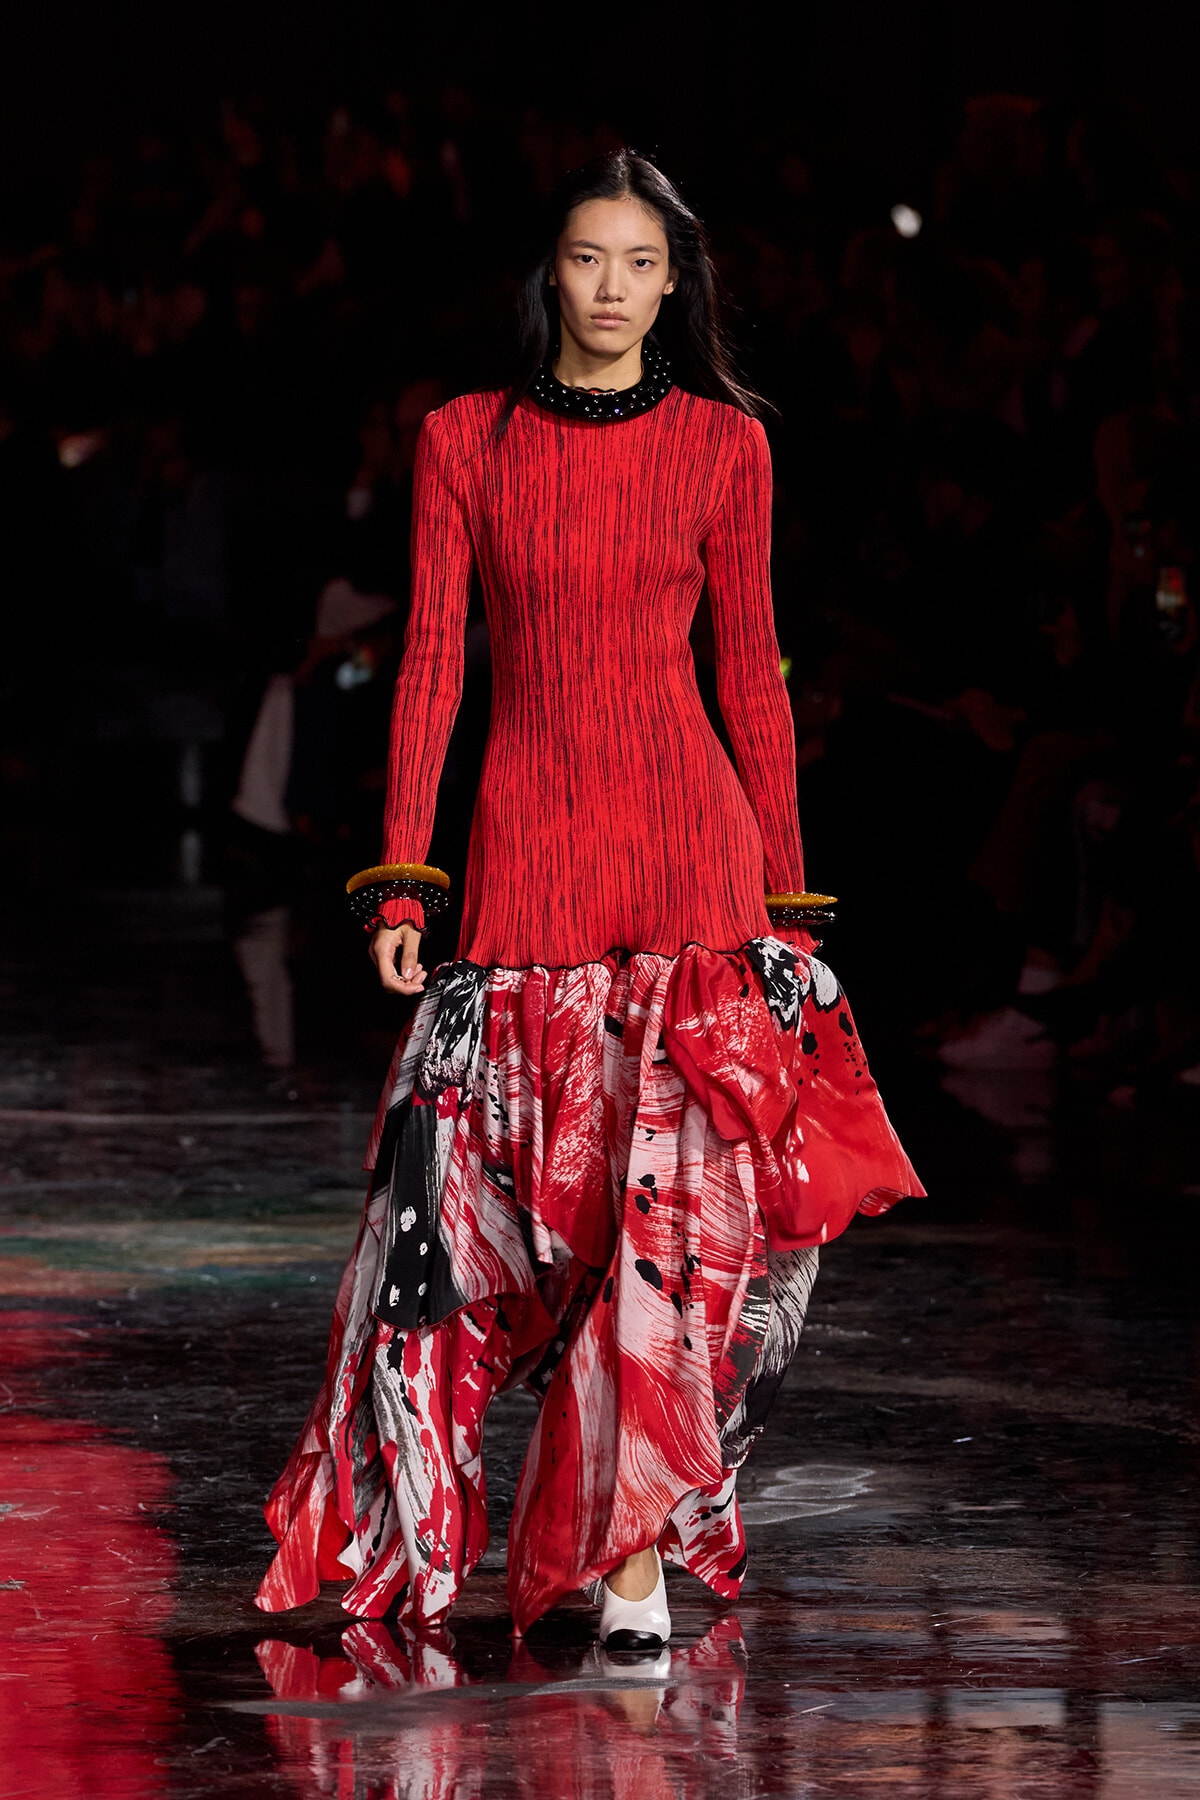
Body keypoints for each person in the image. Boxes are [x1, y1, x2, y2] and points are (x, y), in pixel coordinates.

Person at [255, 150, 922, 1651]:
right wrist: (399, 875)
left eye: (639, 264)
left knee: (669, 1225)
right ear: (547, 274)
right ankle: (441, 1534)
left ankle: (631, 1565)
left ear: (673, 285)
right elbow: (431, 662)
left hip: (692, 853)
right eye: (585, 259)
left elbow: (753, 673)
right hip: (527, 857)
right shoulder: (462, 441)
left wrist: (788, 903)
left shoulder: (725, 447)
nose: (611, 289)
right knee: (495, 1222)